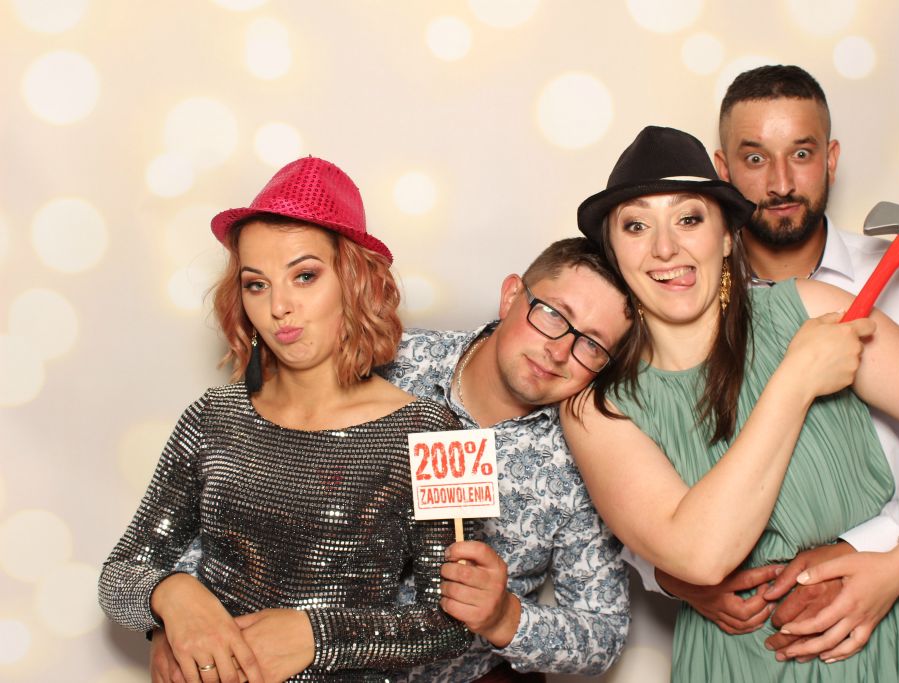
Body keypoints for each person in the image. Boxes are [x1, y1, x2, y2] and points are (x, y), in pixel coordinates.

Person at [564, 125, 899, 681]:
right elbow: (701, 555)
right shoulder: (597, 409)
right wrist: (796, 380)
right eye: (636, 226)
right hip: (739, 665)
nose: (664, 247)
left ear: (726, 236)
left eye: (689, 219)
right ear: (613, 252)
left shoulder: (811, 308)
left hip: (892, 640)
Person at [152, 237, 634, 682]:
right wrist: (177, 622)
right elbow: (237, 490)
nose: (559, 350)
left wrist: (505, 617)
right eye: (552, 314)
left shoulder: (591, 460)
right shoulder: (379, 357)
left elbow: (604, 633)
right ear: (511, 296)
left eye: (591, 345)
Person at [99, 156, 471, 683]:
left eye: (305, 276)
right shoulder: (213, 417)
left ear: (354, 280)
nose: (279, 307)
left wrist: (316, 636)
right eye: (257, 284)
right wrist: (173, 596)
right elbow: (120, 575)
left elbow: (454, 624)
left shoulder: (433, 433)